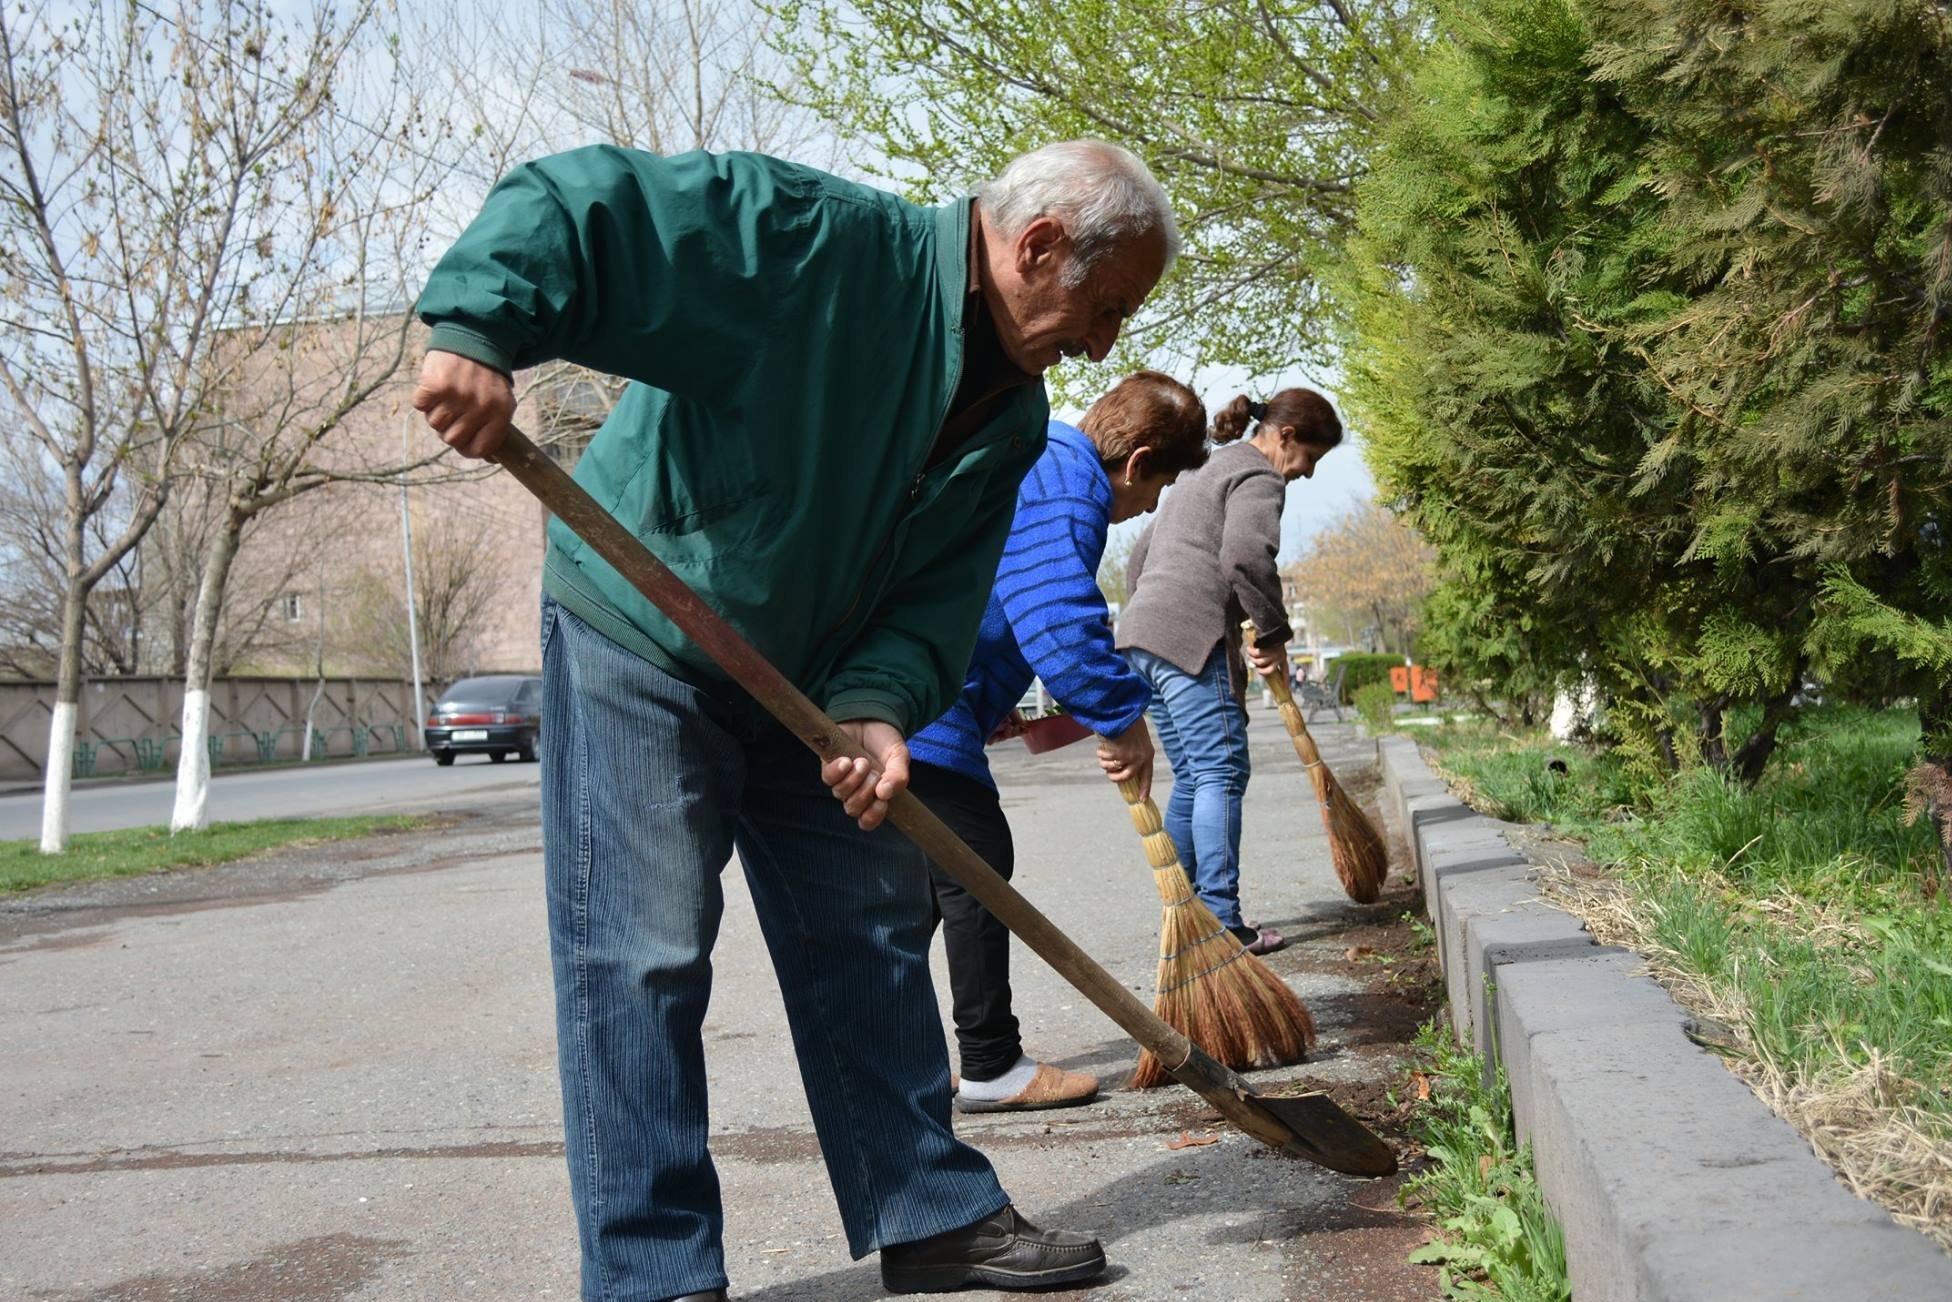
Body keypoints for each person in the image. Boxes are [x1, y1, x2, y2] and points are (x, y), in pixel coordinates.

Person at [411, 139, 1178, 1301]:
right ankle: (652, 1271)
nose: (1103, 343)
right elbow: (582, 204)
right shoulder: (813, 244)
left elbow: (932, 597)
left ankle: (929, 1212)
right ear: (1035, 249)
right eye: (1105, 305)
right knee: (640, 953)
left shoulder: (1012, 423)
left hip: (810, 684)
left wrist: (876, 708)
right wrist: (477, 326)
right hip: (642, 626)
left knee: (866, 932)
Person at [906, 371, 1208, 1112]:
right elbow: (1059, 619)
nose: (1149, 506)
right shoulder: (1067, 479)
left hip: (920, 698)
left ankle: (900, 1063)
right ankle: (990, 1065)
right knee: (977, 866)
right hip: (922, 704)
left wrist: (999, 705)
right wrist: (1122, 718)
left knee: (912, 894)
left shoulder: (1041, 464)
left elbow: (1007, 599)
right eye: (1159, 488)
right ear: (1136, 462)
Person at [1115, 390, 1345, 955]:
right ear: (1285, 436)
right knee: (1219, 772)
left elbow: (1139, 558)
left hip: (1141, 636)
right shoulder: (1259, 476)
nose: (1308, 475)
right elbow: (1245, 555)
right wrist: (1271, 634)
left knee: (1194, 774)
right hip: (1192, 636)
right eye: (1310, 458)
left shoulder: (1205, 467)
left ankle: (1187, 915)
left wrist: (1152, 615)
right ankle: (1221, 922)